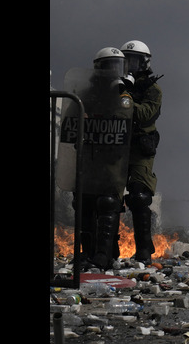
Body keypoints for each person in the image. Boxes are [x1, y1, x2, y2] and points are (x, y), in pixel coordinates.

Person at [73, 47, 133, 269]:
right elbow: (74, 117)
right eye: (109, 66)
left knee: (108, 202)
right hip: (90, 156)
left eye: (118, 66)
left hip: (112, 160)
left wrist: (118, 96)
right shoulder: (87, 93)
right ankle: (87, 253)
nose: (114, 71)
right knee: (84, 202)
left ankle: (102, 255)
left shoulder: (124, 94)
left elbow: (125, 118)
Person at [120, 40, 163, 263]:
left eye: (135, 60)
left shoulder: (152, 90)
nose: (130, 65)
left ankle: (144, 250)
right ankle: (104, 252)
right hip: (114, 146)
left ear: (145, 62)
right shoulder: (115, 85)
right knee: (106, 197)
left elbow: (145, 114)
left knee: (139, 195)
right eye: (126, 60)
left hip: (139, 148)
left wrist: (124, 98)